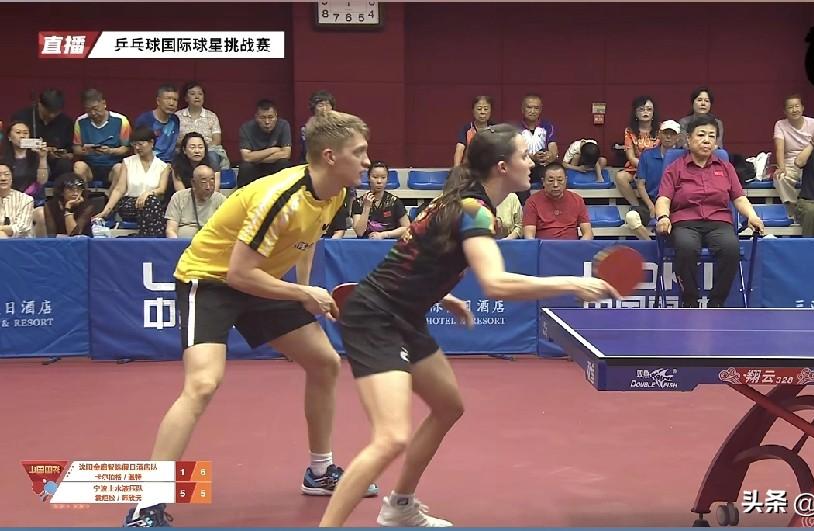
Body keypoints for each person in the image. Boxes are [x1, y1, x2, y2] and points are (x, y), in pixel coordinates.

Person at [318, 124, 618, 527]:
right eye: (523, 156)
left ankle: (400, 505)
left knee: (447, 406)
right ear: (501, 166)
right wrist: (572, 283)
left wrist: (440, 294)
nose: (531, 163)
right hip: (376, 317)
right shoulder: (474, 210)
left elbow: (419, 251)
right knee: (391, 437)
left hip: (404, 313)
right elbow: (495, 284)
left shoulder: (462, 202)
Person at [123, 111, 379, 528]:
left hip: (262, 278)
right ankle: (145, 503)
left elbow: (306, 243)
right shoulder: (279, 198)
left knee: (325, 362)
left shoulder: (336, 192)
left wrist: (305, 291)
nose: (367, 161)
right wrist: (303, 294)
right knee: (203, 383)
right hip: (210, 279)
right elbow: (238, 275)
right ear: (330, 156)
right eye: (360, 152)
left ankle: (320, 471)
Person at [655, 115, 765, 308]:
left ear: (715, 142)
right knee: (686, 248)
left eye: (711, 136)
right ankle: (690, 301)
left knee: (730, 249)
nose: (706, 140)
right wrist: (663, 217)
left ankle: (716, 303)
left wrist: (752, 216)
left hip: (719, 223)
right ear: (689, 139)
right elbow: (664, 198)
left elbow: (739, 198)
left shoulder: (726, 167)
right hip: (685, 223)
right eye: (701, 135)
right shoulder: (675, 168)